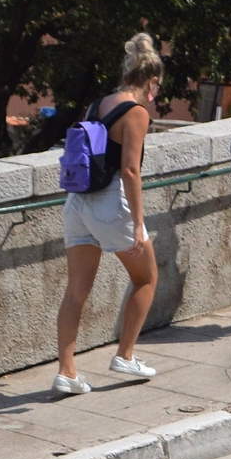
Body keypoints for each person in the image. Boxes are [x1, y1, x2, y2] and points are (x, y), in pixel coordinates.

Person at [53, 32, 163, 393]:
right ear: (151, 82)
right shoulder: (137, 113)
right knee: (146, 278)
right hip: (111, 203)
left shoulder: (98, 103)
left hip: (77, 202)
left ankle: (66, 373)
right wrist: (139, 224)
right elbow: (130, 170)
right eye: (157, 88)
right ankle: (126, 355)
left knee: (75, 291)